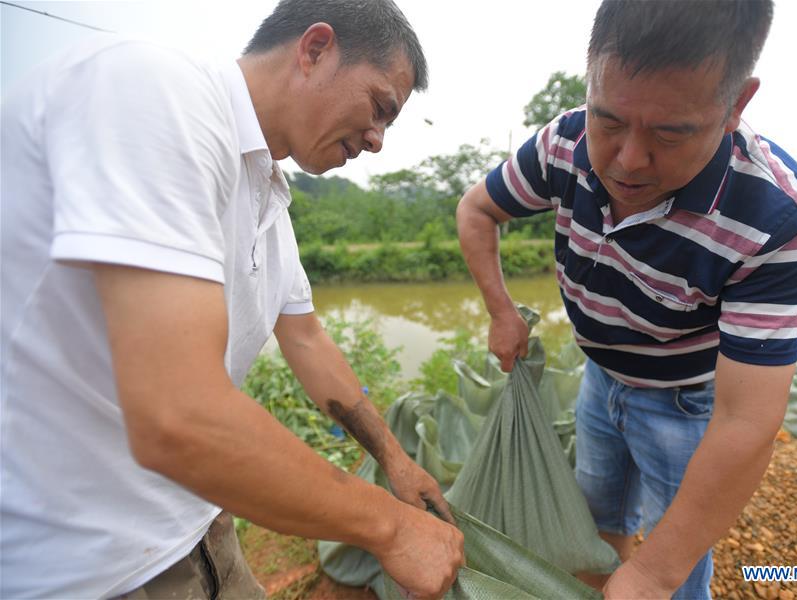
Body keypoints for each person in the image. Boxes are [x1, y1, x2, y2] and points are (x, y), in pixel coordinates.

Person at [0, 1, 465, 598]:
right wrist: (390, 526)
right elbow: (179, 414)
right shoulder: (152, 91)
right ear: (315, 48)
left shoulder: (265, 191)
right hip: (88, 563)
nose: (377, 141)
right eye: (379, 108)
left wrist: (394, 458)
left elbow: (304, 337)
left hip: (201, 519)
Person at [456, 1, 797, 598]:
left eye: (670, 132)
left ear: (736, 105)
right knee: (595, 526)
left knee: (674, 568)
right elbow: (477, 210)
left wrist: (654, 574)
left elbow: (747, 419)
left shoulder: (778, 218)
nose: (627, 161)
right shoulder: (565, 142)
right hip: (600, 380)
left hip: (687, 406)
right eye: (610, 122)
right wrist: (501, 312)